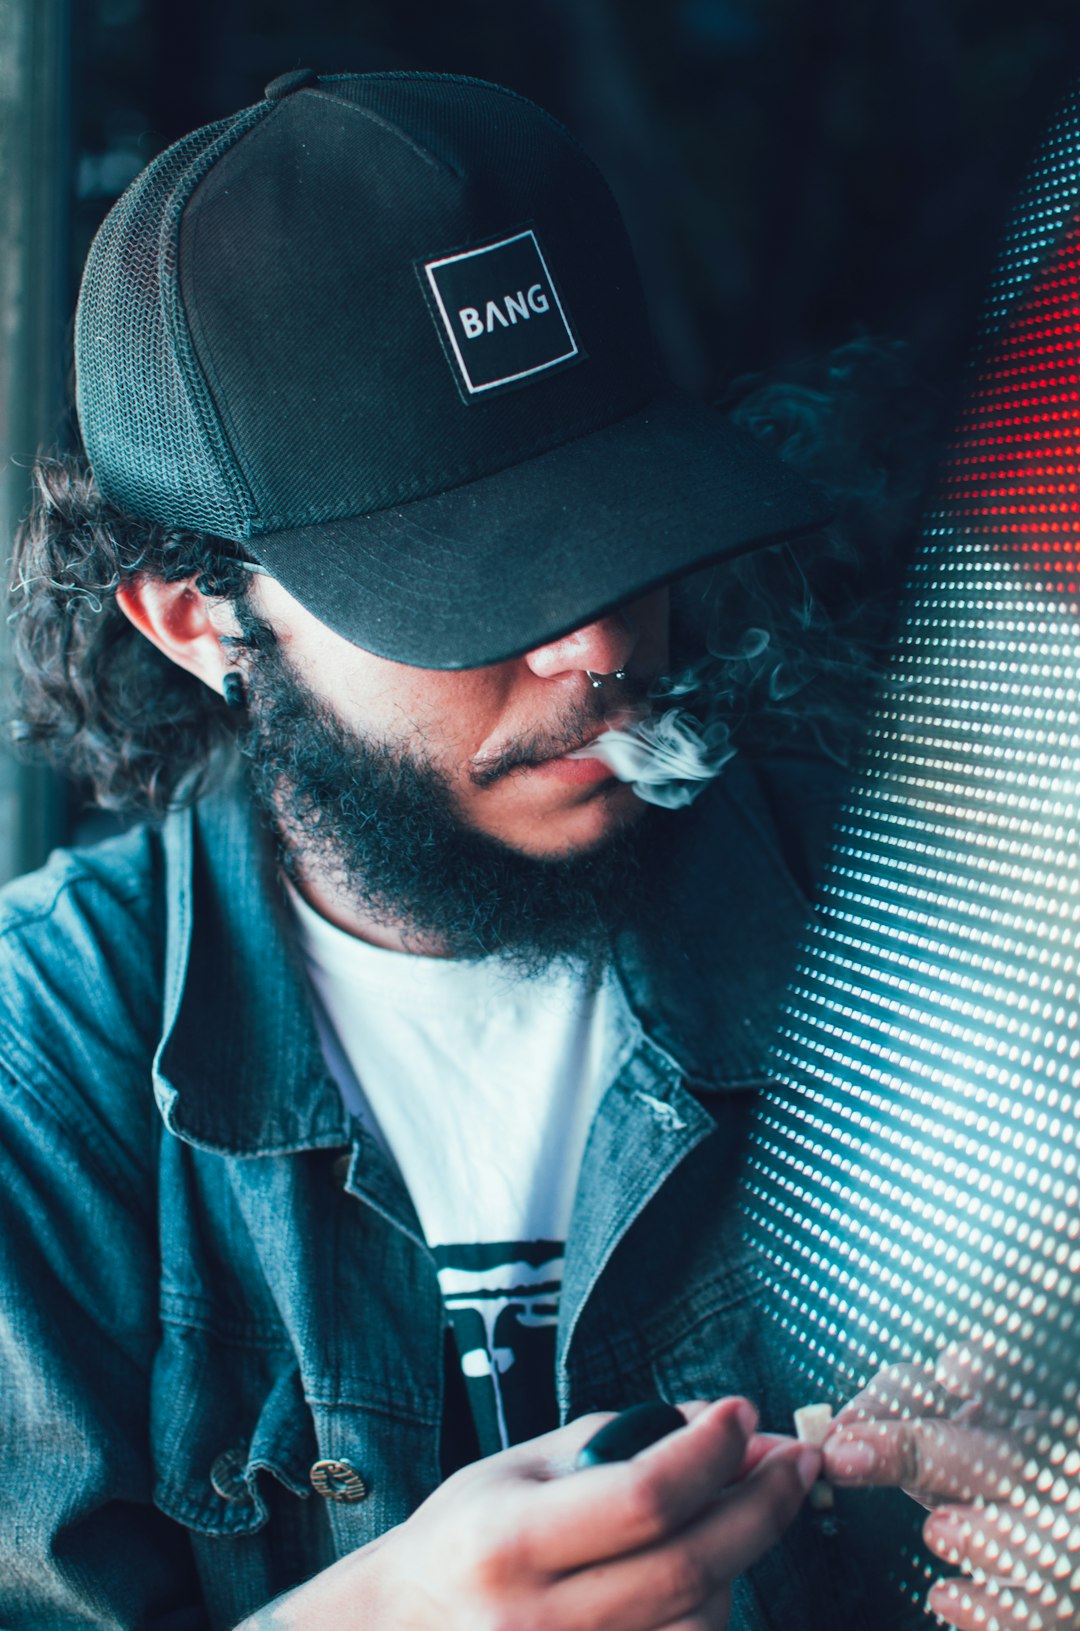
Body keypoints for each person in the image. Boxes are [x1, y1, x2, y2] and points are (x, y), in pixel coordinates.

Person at [0, 67, 951, 1631]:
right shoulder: (54, 1070)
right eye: (475, 578)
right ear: (198, 622)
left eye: (615, 520)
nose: (594, 638)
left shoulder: (898, 922)